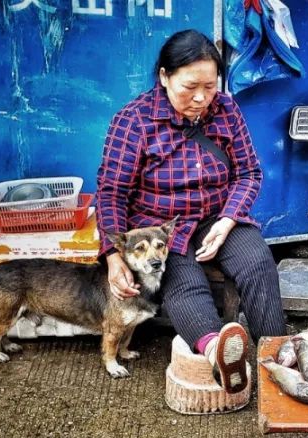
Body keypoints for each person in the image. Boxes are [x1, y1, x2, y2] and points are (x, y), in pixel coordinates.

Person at [95, 29, 285, 394]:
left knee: (258, 261)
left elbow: (248, 173)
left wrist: (229, 219)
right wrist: (112, 257)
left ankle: (275, 358)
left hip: (217, 215)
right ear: (164, 76)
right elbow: (111, 193)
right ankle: (217, 352)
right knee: (183, 281)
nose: (200, 98)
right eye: (189, 87)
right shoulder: (133, 121)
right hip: (160, 228)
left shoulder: (227, 109)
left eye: (210, 87)